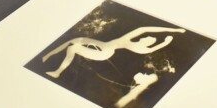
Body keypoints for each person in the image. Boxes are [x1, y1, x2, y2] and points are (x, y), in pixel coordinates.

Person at [42, 26, 185, 78]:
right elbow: (146, 28)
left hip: (105, 53)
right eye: (148, 37)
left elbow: (157, 47)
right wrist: (174, 30)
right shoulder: (129, 38)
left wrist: (166, 41)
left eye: (149, 39)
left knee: (73, 48)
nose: (147, 37)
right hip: (104, 46)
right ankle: (49, 54)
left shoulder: (139, 48)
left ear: (147, 43)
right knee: (75, 40)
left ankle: (58, 72)